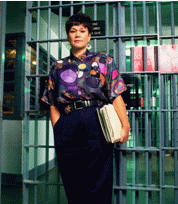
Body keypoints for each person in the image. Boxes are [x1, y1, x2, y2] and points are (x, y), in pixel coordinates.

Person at [41, 13, 130, 204]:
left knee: (100, 176)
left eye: (82, 31)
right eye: (73, 31)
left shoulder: (103, 61)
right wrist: (58, 128)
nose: (78, 35)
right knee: (71, 176)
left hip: (96, 119)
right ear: (68, 36)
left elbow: (116, 95)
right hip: (67, 121)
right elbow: (52, 102)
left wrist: (125, 125)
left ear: (89, 36)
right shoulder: (57, 66)